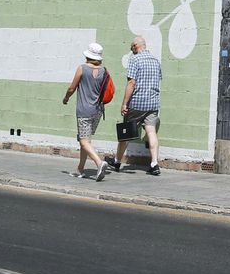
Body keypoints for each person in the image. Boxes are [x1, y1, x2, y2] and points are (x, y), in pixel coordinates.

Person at [106, 34, 162, 176]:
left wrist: (124, 103)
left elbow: (131, 83)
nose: (131, 51)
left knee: (126, 133)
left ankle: (117, 161)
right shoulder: (156, 61)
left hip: (136, 103)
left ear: (136, 46)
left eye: (132, 48)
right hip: (152, 103)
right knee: (151, 131)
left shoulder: (135, 59)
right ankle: (154, 163)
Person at [62, 42, 110, 180]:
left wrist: (66, 98)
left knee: (84, 141)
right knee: (86, 140)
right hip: (98, 110)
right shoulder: (104, 71)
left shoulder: (82, 68)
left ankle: (99, 163)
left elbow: (72, 88)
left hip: (84, 110)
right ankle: (80, 169)